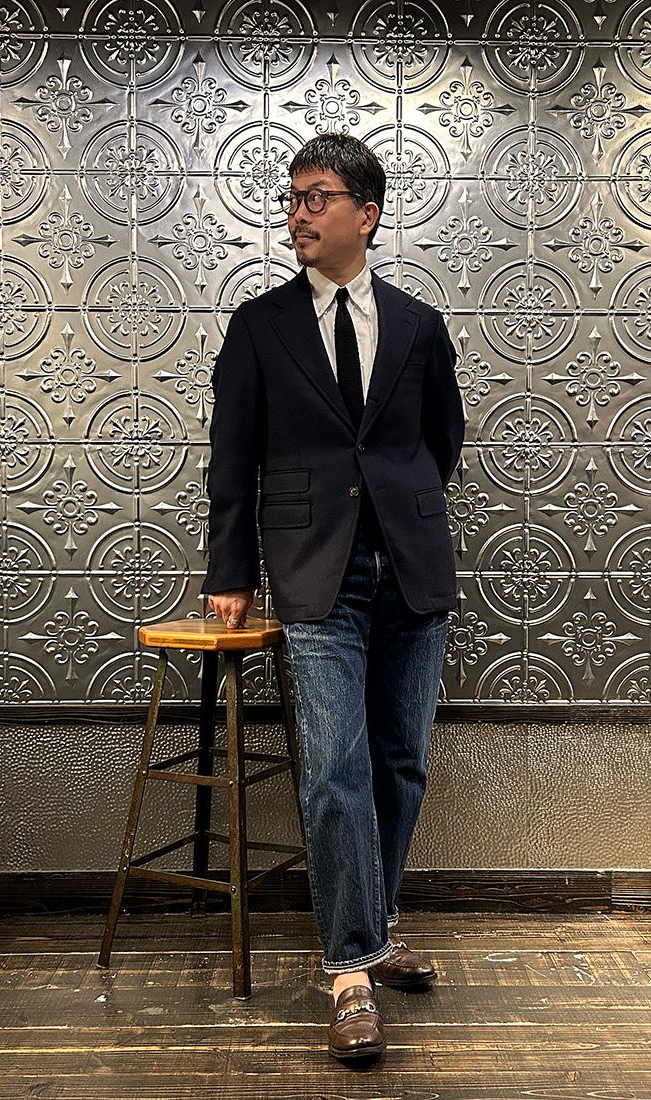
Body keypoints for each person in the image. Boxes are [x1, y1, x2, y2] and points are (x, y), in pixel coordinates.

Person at [202, 133, 464, 1063]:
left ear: (368, 213)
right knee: (334, 768)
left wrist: (406, 510)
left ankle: (378, 927)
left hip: (411, 569)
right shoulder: (259, 325)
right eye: (292, 198)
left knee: (400, 762)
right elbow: (232, 457)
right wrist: (230, 570)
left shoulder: (419, 324)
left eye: (317, 197)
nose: (298, 214)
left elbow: (441, 440)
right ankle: (350, 969)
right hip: (316, 572)